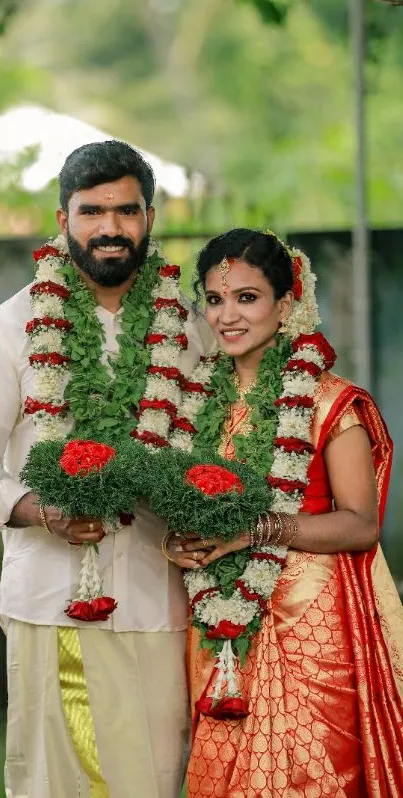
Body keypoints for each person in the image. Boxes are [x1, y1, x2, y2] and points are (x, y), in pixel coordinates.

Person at [0, 139, 213, 798]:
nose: (110, 228)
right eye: (92, 211)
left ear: (150, 218)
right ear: (62, 219)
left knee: (152, 776)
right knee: (58, 780)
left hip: (162, 596)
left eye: (126, 210)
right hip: (53, 598)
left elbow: (215, 453)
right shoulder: (15, 325)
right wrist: (40, 510)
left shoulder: (192, 327)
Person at [164, 228, 403, 797]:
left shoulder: (327, 401)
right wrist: (180, 544)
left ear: (286, 305)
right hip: (220, 628)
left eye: (247, 297)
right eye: (215, 299)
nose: (227, 315)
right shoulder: (195, 408)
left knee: (313, 773)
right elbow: (185, 510)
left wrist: (256, 532)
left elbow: (362, 523)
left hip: (311, 624)